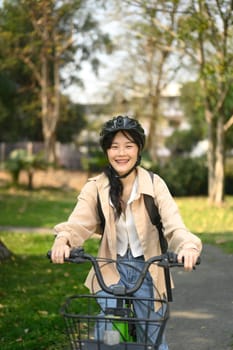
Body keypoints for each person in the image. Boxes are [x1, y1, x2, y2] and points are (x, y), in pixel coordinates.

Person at [50, 115, 202, 349]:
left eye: (128, 146)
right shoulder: (96, 186)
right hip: (110, 267)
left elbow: (174, 225)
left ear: (139, 150)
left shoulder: (154, 184)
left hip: (148, 269)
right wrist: (63, 240)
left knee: (153, 338)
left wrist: (188, 246)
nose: (121, 153)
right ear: (107, 151)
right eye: (114, 147)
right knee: (107, 334)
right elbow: (78, 221)